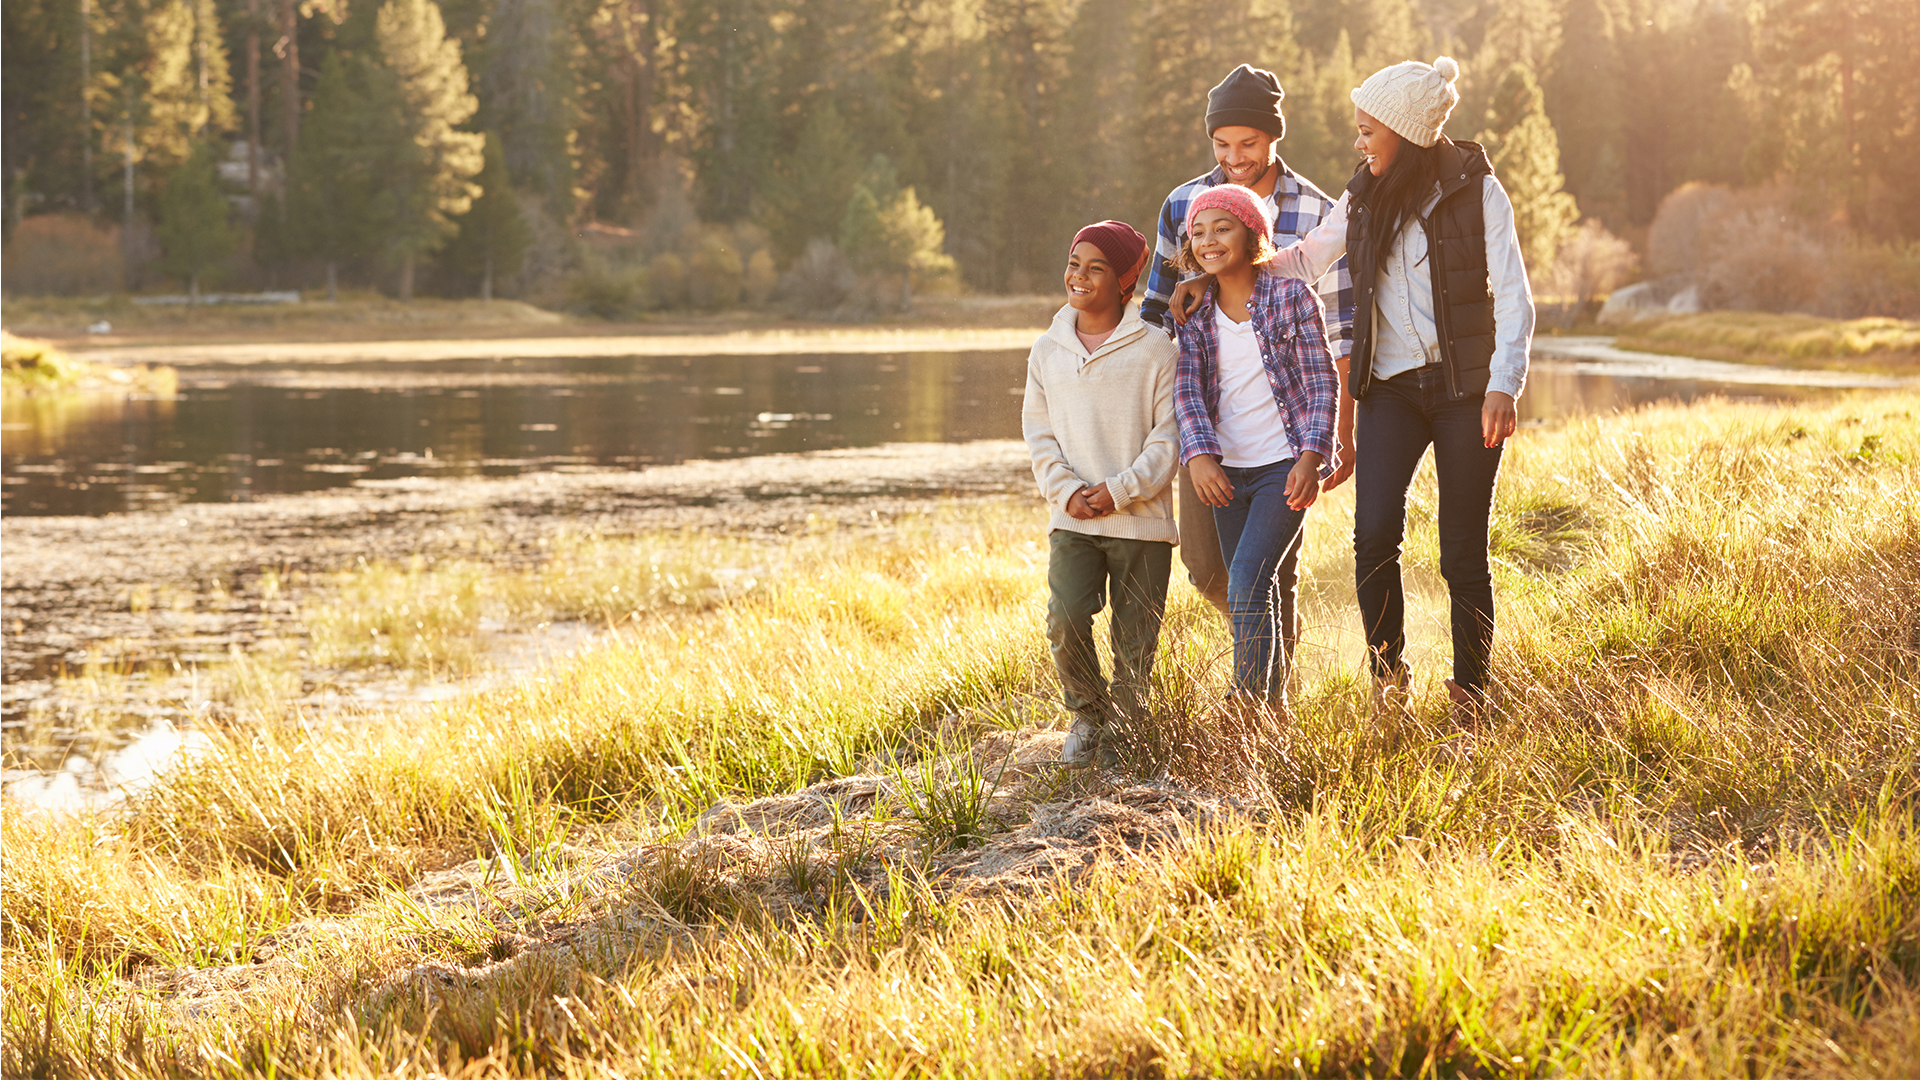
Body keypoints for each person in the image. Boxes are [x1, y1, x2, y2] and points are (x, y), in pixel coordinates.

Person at [1171, 56, 1534, 725]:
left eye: (1370, 129)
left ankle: (1471, 692)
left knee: (1461, 548)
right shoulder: (1363, 193)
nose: (1359, 141)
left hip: (1465, 389)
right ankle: (1389, 677)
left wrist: (1503, 384)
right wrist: (1218, 273)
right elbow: (1307, 256)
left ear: (1405, 130)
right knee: (1372, 537)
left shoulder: (1477, 189)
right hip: (1389, 386)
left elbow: (1513, 295)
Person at [1139, 63, 1356, 698]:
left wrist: (1330, 443)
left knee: (1261, 573)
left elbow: (1336, 333)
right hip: (1214, 432)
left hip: (1287, 433)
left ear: (1274, 138)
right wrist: (1185, 441)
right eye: (1222, 145)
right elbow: (1161, 315)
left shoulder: (1314, 208)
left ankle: (1260, 708)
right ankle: (1268, 666)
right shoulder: (1183, 204)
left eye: (1249, 144)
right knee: (1213, 569)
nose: (1235, 158)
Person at [1170, 185, 1338, 709]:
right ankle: (1271, 707)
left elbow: (1321, 383)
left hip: (1282, 469)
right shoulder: (1194, 313)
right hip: (1226, 473)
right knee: (1250, 586)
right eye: (1198, 232)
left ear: (1252, 234)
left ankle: (1245, 706)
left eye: (1222, 228)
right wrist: (1198, 456)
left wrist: (1312, 458)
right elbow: (1188, 390)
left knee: (1248, 579)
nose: (1208, 241)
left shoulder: (1292, 298)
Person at [1022, 220, 1179, 766]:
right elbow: (1038, 434)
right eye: (1073, 263)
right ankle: (1089, 718)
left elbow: (1168, 440)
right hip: (1073, 520)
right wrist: (1068, 493)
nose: (1080, 276)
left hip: (1140, 522)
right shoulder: (1047, 350)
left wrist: (1118, 491)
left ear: (1125, 281)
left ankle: (1131, 735)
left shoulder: (1157, 349)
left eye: (1096, 268)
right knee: (1065, 618)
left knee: (1136, 641)